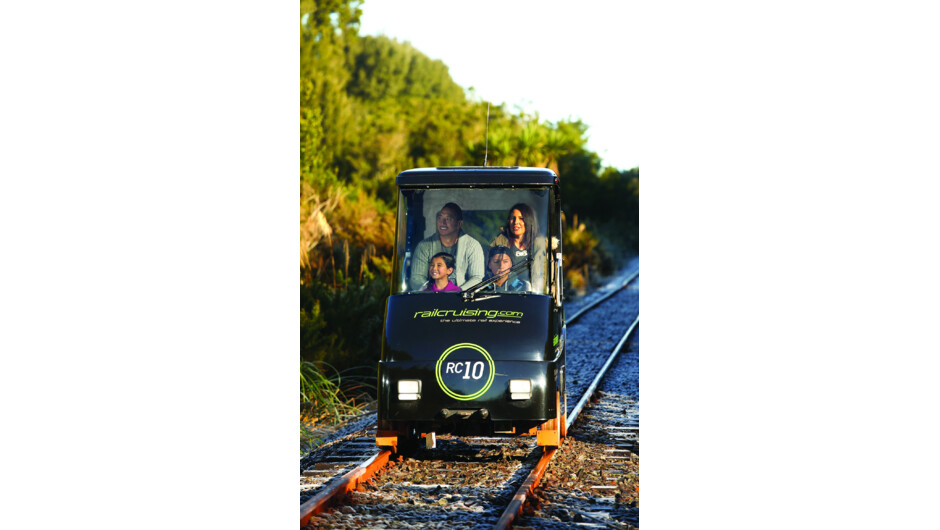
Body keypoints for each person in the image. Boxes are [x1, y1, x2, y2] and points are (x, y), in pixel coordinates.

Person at [409, 202, 484, 291]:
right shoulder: (424, 246)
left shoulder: (473, 246)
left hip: (463, 300)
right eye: (440, 218)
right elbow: (416, 278)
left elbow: (477, 278)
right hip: (430, 299)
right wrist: (430, 292)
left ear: (459, 224)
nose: (442, 222)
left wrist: (459, 292)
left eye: (448, 219)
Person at [489, 202, 545, 290]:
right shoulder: (499, 242)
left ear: (529, 220)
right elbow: (489, 274)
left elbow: (547, 277)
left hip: (533, 295)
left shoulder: (541, 245)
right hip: (507, 294)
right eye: (513, 218)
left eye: (521, 218)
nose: (516, 222)